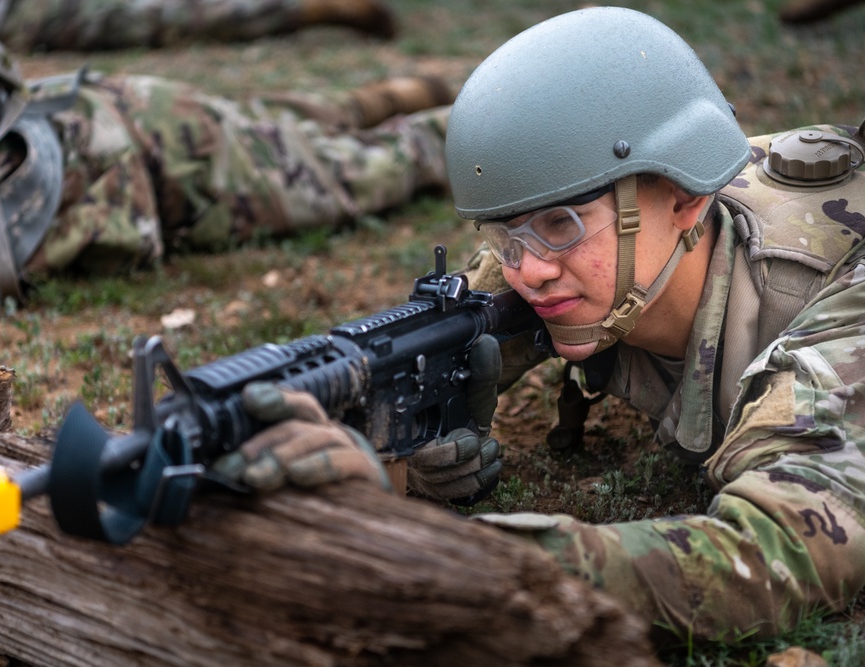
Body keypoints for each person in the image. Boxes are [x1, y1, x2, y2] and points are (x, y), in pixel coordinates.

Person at [211, 5, 865, 646]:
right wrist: (391, 463)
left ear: (683, 200)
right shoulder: (582, 250)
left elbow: (775, 556)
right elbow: (438, 337)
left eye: (562, 225)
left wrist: (450, 559)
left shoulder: (834, 322)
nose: (530, 271)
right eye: (505, 233)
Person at [0, 1, 452, 322]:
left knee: (368, 168)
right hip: (91, 111)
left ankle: (480, 119)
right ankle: (381, 98)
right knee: (275, 130)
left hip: (145, 163)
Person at [0, 0, 397, 51]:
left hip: (6, 20)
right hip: (6, 20)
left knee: (159, 18)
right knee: (156, 17)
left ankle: (297, 10)